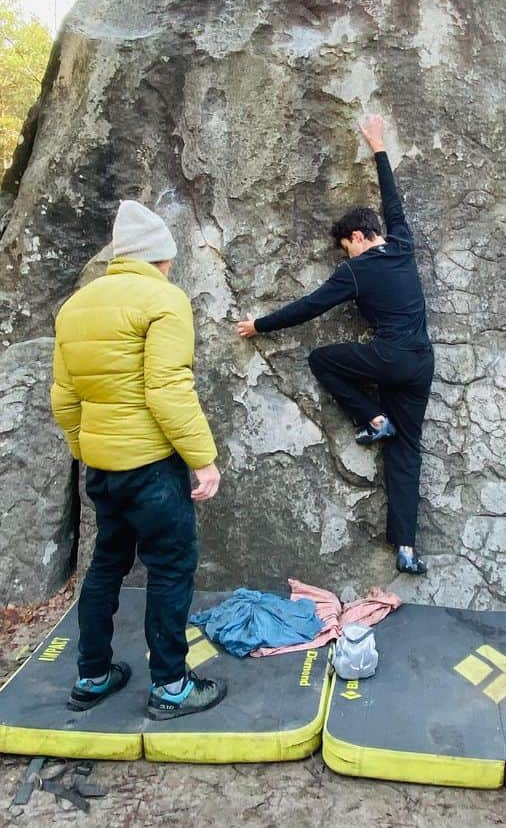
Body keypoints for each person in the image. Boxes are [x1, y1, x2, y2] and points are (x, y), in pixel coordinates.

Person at [51, 200, 226, 719]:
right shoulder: (164, 301)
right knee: (171, 568)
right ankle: (172, 686)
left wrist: (88, 452)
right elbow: (168, 391)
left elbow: (63, 398)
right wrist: (204, 460)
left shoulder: (75, 307)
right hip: (152, 466)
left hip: (104, 467)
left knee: (106, 564)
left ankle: (93, 675)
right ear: (160, 258)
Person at [236, 115, 434, 575]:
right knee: (406, 454)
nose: (346, 253)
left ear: (359, 237)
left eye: (346, 245)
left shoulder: (355, 271)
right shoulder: (401, 244)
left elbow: (308, 307)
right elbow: (394, 202)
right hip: (421, 364)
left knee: (322, 359)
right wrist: (378, 146)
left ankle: (373, 418)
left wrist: (259, 326)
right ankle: (406, 548)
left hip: (388, 359)